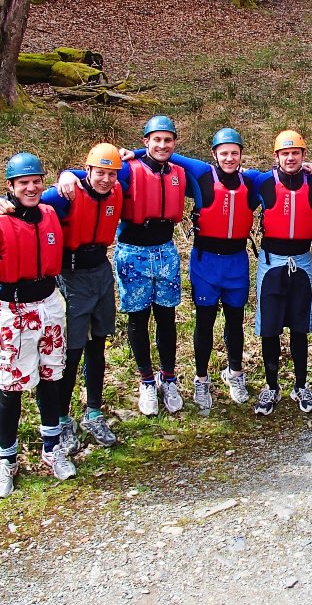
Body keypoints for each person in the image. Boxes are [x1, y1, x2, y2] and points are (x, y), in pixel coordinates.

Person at [58, 116, 188, 417]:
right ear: (145, 141)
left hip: (166, 250)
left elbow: (217, 175)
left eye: (168, 140)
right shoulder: (127, 170)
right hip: (133, 252)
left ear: (174, 143)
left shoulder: (178, 173)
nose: (162, 145)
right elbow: (97, 177)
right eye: (156, 139)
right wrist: (67, 173)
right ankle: (145, 380)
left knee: (167, 317)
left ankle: (168, 378)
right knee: (138, 318)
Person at [148, 128, 259, 412]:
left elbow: (284, 173)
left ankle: (235, 374)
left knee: (235, 321)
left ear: (241, 155)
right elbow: (164, 154)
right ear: (214, 154)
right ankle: (201, 379)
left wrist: (308, 170)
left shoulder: (252, 180)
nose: (229, 158)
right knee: (205, 321)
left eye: (235, 153)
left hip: (236, 261)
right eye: (224, 153)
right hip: (205, 261)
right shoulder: (201, 173)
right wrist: (131, 154)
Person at [0, 153, 75, 498]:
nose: (30, 188)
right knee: (10, 386)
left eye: (35, 181)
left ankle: (51, 447)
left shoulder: (48, 211)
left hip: (49, 303)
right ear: (11, 187)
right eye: (23, 183)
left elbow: (80, 182)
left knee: (51, 377)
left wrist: (65, 173)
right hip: (12, 307)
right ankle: (7, 459)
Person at [41, 144, 122, 451]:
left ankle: (94, 412)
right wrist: (66, 175)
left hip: (100, 270)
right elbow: (27, 200)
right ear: (87, 171)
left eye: (110, 173)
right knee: (71, 351)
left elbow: (148, 160)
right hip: (71, 275)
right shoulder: (65, 195)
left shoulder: (117, 190)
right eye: (99, 172)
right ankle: (62, 419)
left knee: (97, 344)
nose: (105, 179)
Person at [254, 130, 312, 416]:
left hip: (302, 262)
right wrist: (137, 155)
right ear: (276, 157)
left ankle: (300, 384)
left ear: (303, 156)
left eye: (296, 152)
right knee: (269, 328)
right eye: (285, 153)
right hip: (271, 261)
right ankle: (271, 386)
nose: (291, 157)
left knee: (299, 327)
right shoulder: (262, 181)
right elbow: (224, 174)